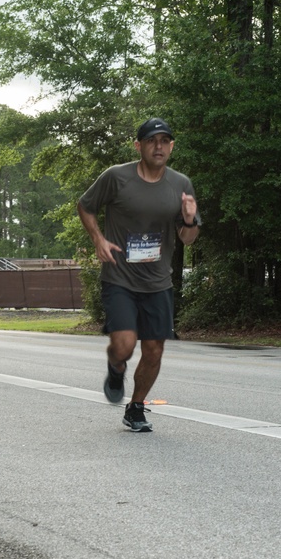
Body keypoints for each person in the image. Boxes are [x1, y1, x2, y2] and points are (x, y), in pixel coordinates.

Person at [76, 118, 201, 433]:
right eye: (151, 141)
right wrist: (98, 239)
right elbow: (85, 205)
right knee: (125, 345)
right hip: (120, 276)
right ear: (139, 146)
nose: (158, 147)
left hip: (158, 281)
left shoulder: (181, 184)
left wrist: (189, 220)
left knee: (155, 349)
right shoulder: (117, 177)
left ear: (171, 147)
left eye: (164, 141)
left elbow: (188, 239)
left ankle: (136, 407)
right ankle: (115, 366)